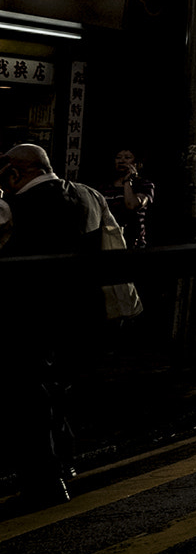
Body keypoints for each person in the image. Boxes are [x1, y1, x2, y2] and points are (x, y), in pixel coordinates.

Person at [0, 143, 104, 504]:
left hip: (27, 312)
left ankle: (44, 480)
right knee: (56, 388)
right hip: (80, 309)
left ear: (15, 172)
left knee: (27, 395)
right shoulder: (88, 194)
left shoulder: (14, 206)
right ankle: (64, 461)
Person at [106, 149, 154, 248]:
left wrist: (128, 180)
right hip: (108, 241)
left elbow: (131, 205)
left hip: (132, 244)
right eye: (118, 158)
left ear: (136, 163)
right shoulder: (105, 186)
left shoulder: (144, 185)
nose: (121, 161)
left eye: (127, 158)